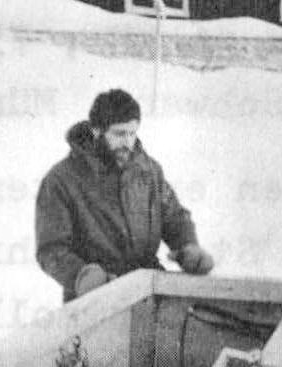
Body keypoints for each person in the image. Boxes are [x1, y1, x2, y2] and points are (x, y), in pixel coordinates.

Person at [36, 88, 214, 301]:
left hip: (148, 290)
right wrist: (81, 277)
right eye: (119, 134)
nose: (128, 143)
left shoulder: (149, 172)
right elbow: (52, 250)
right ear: (96, 131)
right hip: (94, 298)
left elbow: (174, 217)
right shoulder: (62, 180)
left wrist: (188, 247)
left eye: (132, 133)